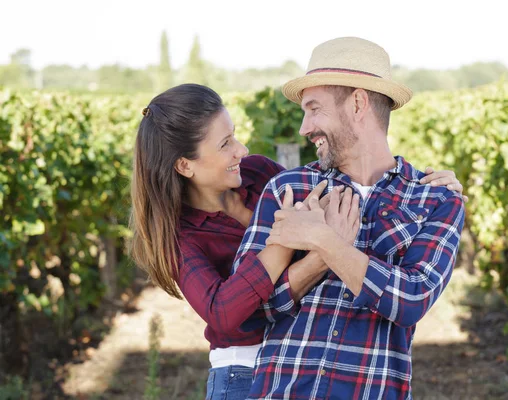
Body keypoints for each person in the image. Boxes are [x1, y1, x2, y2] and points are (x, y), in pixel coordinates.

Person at [128, 84, 465, 399]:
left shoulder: (261, 175)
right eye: (225, 144)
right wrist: (310, 245)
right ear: (185, 165)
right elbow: (230, 314)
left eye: (234, 137)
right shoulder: (179, 237)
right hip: (241, 370)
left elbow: (406, 297)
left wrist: (434, 189)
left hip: (287, 355)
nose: (241, 150)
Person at [231, 37, 466, 400]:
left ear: (358, 103)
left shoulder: (434, 199)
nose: (304, 128)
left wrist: (323, 240)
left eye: (314, 109)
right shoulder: (288, 189)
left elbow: (410, 300)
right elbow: (247, 308)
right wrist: (318, 260)